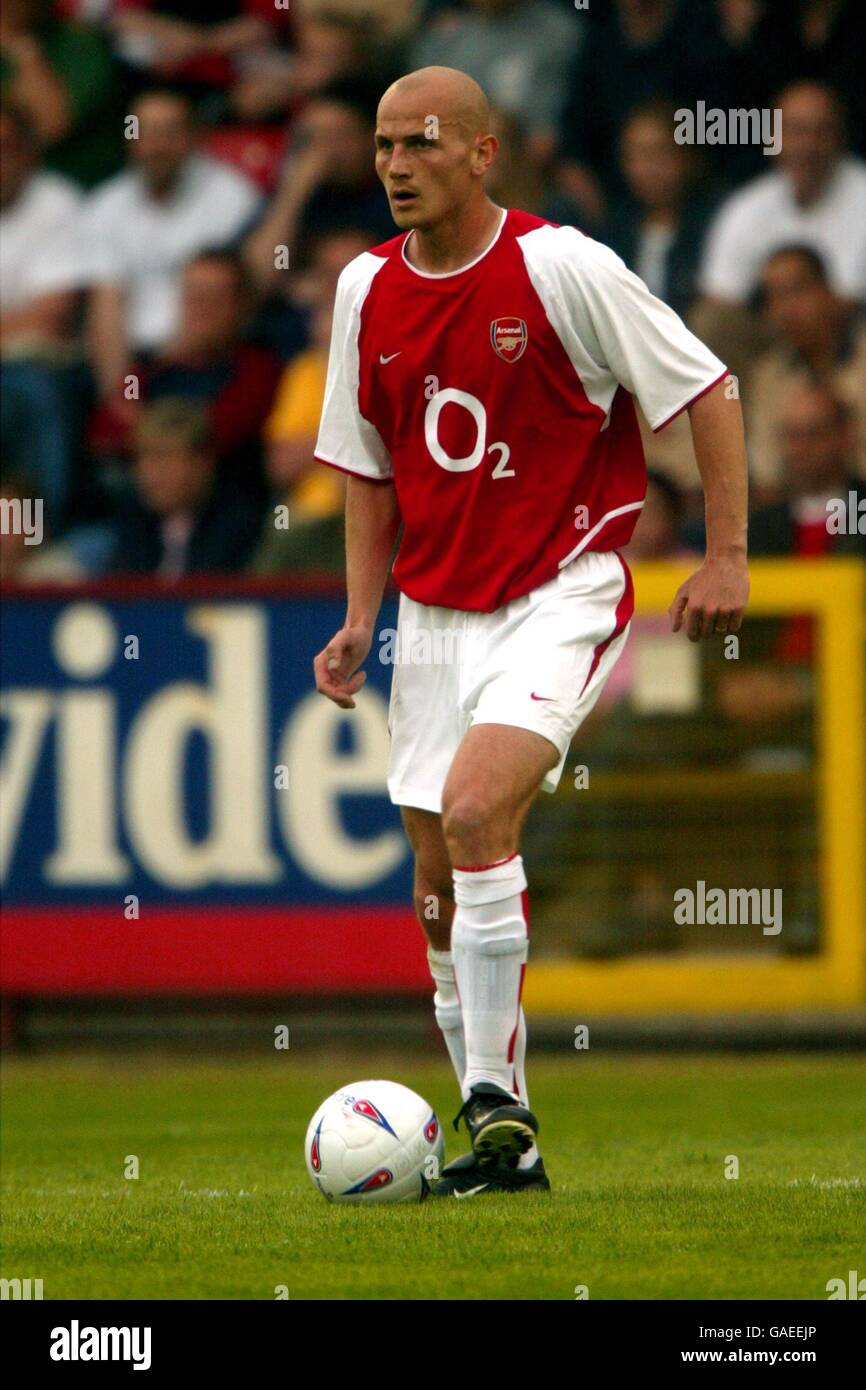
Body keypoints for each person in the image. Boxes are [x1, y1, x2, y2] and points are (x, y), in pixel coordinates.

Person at [312, 66, 749, 1197]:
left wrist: (725, 551)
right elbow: (365, 467)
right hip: (435, 611)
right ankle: (504, 1148)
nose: (397, 164)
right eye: (382, 146)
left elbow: (705, 388)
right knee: (431, 876)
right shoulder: (364, 289)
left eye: (420, 142)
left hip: (560, 586)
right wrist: (362, 615)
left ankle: (496, 1106)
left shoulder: (559, 265)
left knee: (472, 812)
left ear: (480, 153)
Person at [81, 88, 261, 405]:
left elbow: (240, 294)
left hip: (212, 362)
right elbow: (106, 310)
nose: (155, 146)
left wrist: (183, 354)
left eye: (169, 133)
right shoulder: (104, 207)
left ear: (194, 137)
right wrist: (121, 395)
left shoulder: (232, 197)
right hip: (138, 363)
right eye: (144, 132)